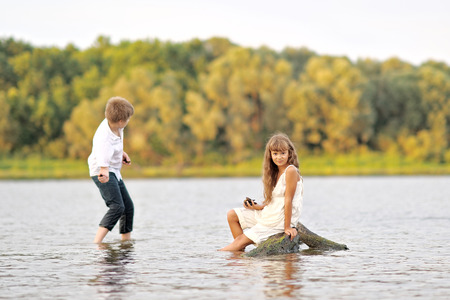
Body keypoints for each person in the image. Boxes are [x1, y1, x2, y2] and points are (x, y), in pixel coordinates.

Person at [220, 133, 303, 251]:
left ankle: (225, 255)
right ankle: (240, 252)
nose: (279, 157)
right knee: (232, 215)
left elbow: (288, 199)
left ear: (289, 153)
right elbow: (275, 201)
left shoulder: (291, 171)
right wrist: (257, 207)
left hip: (278, 220)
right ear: (270, 155)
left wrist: (287, 227)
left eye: (282, 153)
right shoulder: (274, 173)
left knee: (236, 244)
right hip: (269, 214)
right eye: (275, 153)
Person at [88, 96, 135, 244]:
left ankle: (125, 242)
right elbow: (103, 154)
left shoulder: (116, 126)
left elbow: (114, 146)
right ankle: (97, 243)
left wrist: (121, 153)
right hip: (102, 171)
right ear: (121, 121)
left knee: (128, 207)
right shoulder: (104, 137)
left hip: (113, 170)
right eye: (128, 119)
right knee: (117, 207)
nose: (128, 121)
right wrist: (104, 171)